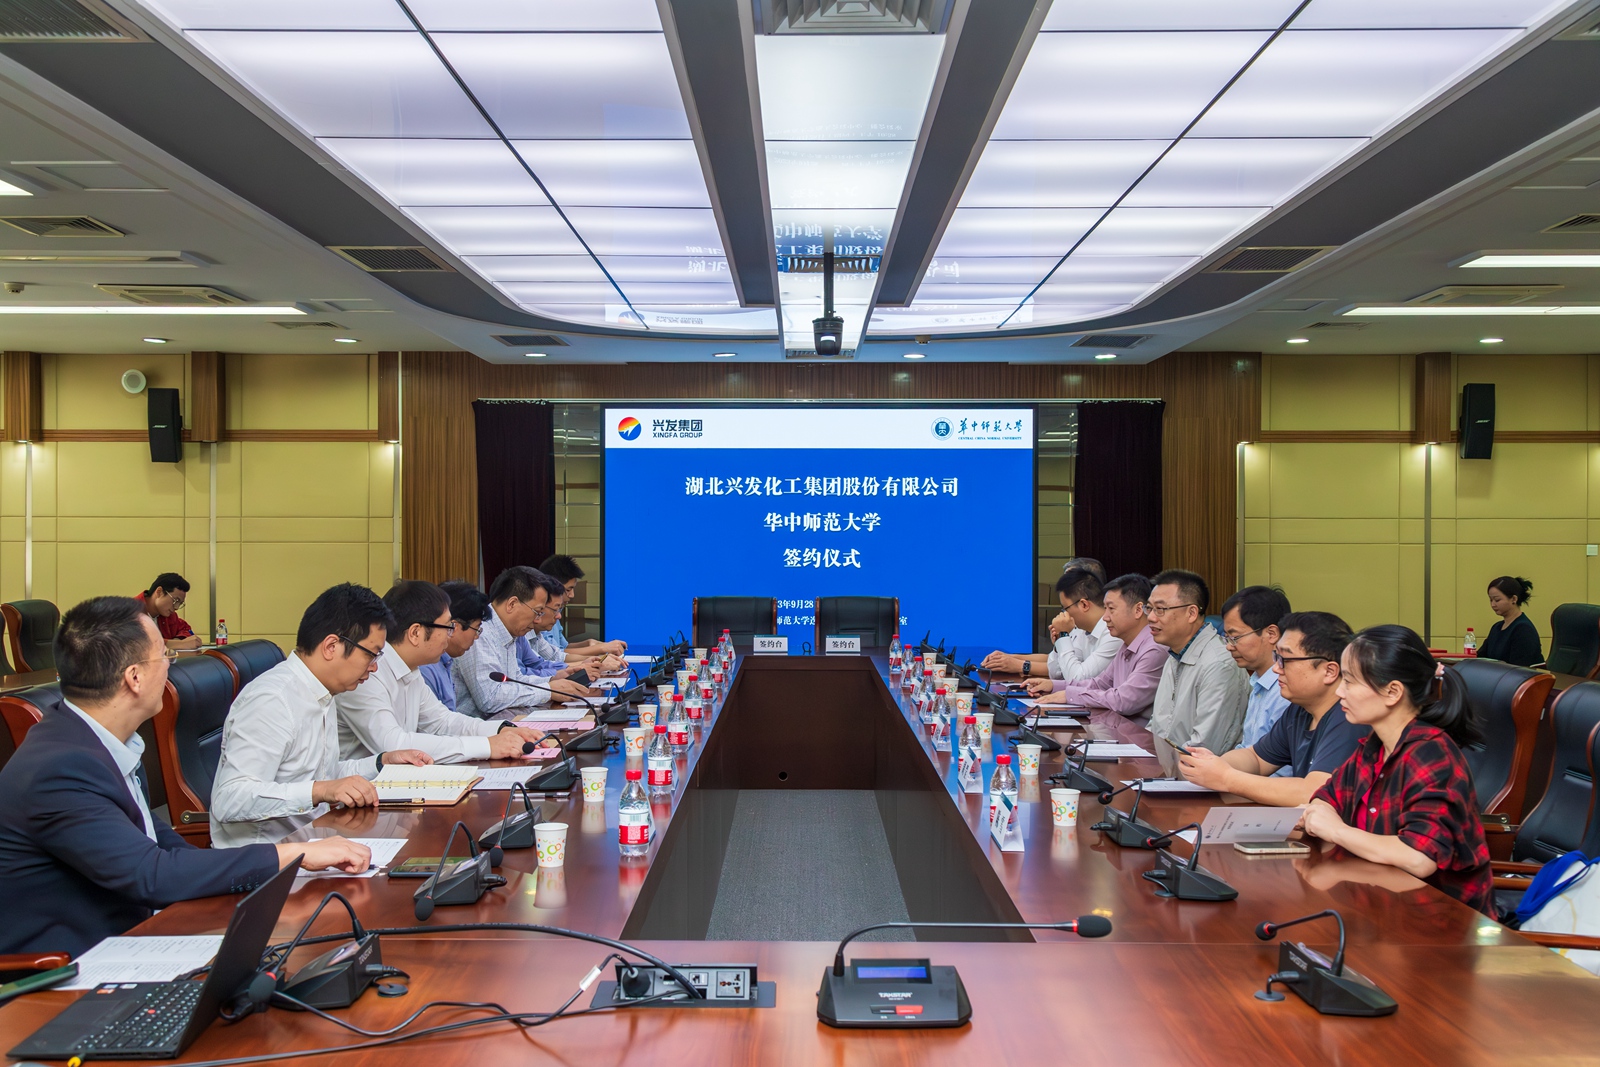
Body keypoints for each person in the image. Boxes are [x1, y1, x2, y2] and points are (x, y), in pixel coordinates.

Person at [0, 596, 368, 956]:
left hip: (137, 936)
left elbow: (161, 844)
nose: (170, 667)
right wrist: (295, 854)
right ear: (134, 677)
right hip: (72, 968)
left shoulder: (100, 741)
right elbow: (152, 875)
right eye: (165, 655)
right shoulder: (62, 767)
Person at [210, 584, 432, 848]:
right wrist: (321, 791)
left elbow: (324, 773)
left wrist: (381, 762)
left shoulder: (322, 693)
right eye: (371, 654)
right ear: (331, 646)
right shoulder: (273, 699)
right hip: (266, 857)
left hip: (314, 841)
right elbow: (230, 799)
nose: (374, 667)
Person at [1300, 624, 1494, 916]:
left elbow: (1418, 857)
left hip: (1441, 922)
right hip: (1380, 907)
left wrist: (1337, 830)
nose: (1339, 692)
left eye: (1349, 682)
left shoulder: (1431, 754)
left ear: (1392, 692)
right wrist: (1321, 816)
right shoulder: (1375, 746)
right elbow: (1325, 798)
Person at [337, 581, 550, 764]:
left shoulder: (410, 669)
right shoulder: (367, 672)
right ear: (416, 633)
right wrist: (487, 746)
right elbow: (394, 744)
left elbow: (442, 721)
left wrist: (502, 729)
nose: (450, 635)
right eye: (447, 628)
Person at [1178, 611, 1369, 806]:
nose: (1276, 668)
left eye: (1285, 660)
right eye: (1276, 657)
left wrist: (1226, 777)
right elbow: (1256, 758)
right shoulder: (1299, 711)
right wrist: (1214, 765)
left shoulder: (1349, 717)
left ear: (1329, 671)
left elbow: (1314, 792)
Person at [454, 566, 600, 720]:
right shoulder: (480, 632)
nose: (537, 620)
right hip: (477, 728)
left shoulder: (508, 632)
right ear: (512, 604)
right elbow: (490, 698)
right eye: (537, 612)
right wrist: (548, 691)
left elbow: (516, 679)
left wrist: (553, 680)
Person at [1026, 574, 1165, 729]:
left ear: (1138, 610)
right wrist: (1054, 686)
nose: (1105, 617)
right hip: (1118, 728)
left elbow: (1124, 701)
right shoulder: (1127, 643)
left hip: (1139, 736)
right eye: (1105, 609)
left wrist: (1070, 695)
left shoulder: (1154, 648)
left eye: (1111, 609)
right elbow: (1100, 683)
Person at [1146, 569, 1249, 776]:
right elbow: (1157, 726)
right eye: (1149, 608)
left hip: (1199, 783)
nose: (1150, 617)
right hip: (1170, 775)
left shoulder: (1219, 664)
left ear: (1192, 613)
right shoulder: (1175, 654)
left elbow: (1205, 748)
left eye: (1160, 609)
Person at [982, 558, 1113, 680]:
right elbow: (1057, 670)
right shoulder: (1084, 630)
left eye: (1065, 608)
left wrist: (1063, 636)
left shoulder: (1112, 632)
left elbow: (1076, 678)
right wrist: (1058, 645)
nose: (1063, 614)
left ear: (1084, 604)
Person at [1219, 586, 1293, 753]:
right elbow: (1247, 748)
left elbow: (1279, 764)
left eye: (1235, 637)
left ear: (1271, 633)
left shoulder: (1285, 691)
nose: (1229, 646)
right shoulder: (1259, 682)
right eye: (1227, 638)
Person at [421, 580, 491, 711]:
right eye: (476, 629)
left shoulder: (445, 661)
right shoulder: (426, 667)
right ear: (454, 627)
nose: (476, 637)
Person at [538, 554, 626, 657]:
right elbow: (555, 655)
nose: (572, 595)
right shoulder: (544, 614)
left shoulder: (557, 612)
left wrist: (589, 643)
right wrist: (600, 649)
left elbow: (562, 647)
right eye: (568, 590)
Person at [1480, 575, 1543, 667]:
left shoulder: (1523, 629)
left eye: (1497, 600)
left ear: (1514, 599)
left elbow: (1519, 668)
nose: (1493, 604)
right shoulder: (1496, 627)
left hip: (1515, 675)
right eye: (1491, 600)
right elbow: (1481, 656)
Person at [136, 572, 200, 650]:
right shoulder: (129, 613)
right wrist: (181, 644)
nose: (176, 607)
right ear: (159, 592)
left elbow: (185, 628)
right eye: (175, 600)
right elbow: (139, 643)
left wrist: (177, 641)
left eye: (180, 603)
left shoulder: (168, 614)